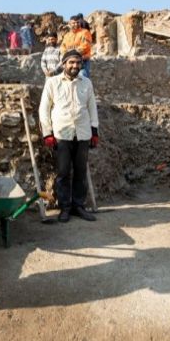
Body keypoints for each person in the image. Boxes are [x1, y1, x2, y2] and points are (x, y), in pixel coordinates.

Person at [39, 49, 99, 223]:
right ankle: (64, 207)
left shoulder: (86, 83)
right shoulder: (52, 82)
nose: (75, 66)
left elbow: (92, 107)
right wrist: (47, 133)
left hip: (82, 134)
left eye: (78, 63)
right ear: (64, 64)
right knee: (64, 172)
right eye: (71, 62)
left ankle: (78, 206)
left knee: (80, 171)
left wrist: (94, 131)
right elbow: (44, 109)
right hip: (62, 133)